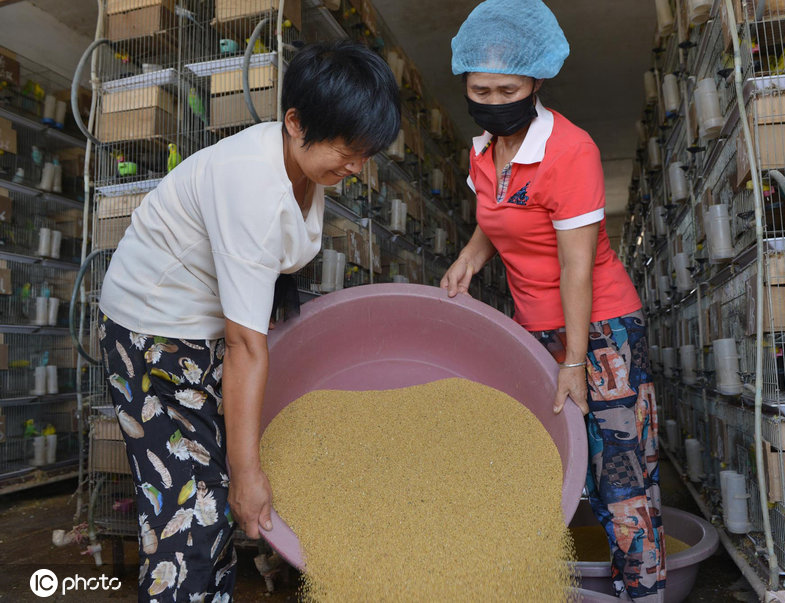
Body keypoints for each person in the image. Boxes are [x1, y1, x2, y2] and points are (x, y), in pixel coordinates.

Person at [97, 41, 400, 601]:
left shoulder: (305, 170)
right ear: (295, 122)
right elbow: (244, 345)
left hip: (202, 328)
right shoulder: (250, 185)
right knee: (189, 510)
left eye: (366, 154)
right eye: (346, 149)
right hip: (152, 332)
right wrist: (249, 475)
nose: (355, 167)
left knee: (211, 497)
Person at [440, 1, 664, 600]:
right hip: (531, 327)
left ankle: (641, 591)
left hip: (600, 326)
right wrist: (469, 256)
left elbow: (576, 269)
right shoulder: (483, 150)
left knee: (621, 476)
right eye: (480, 89)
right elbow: (500, 213)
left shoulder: (571, 152)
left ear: (535, 80)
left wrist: (574, 360)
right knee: (541, 463)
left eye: (506, 88)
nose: (492, 100)